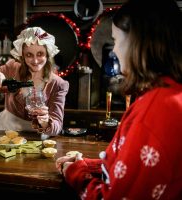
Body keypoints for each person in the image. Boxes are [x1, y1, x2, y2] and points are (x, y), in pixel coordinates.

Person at [55, 0, 182, 199]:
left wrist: (75, 172)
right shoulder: (168, 93)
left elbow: (110, 197)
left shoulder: (155, 110)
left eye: (116, 40)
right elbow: (134, 168)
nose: (114, 51)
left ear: (138, 42)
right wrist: (88, 165)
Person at [0, 27, 69, 139]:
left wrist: (46, 122)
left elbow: (57, 126)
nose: (35, 61)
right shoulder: (13, 67)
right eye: (29, 55)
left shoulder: (59, 84)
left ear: (48, 54)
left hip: (36, 136)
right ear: (22, 55)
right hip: (6, 129)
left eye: (40, 54)